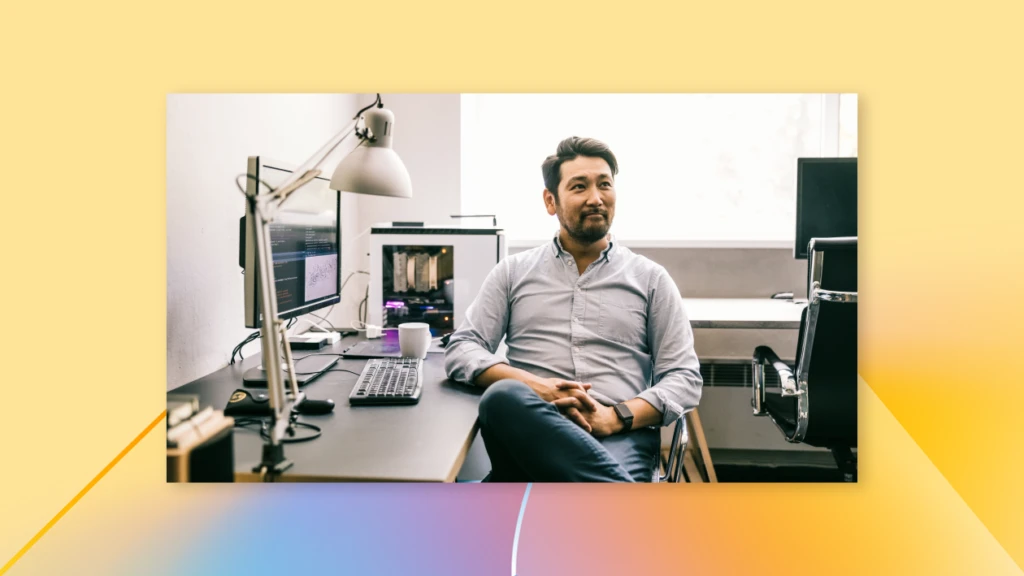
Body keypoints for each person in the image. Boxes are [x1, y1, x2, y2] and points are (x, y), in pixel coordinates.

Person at [444, 136, 702, 482]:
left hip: (617, 436)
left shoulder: (651, 279)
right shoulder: (513, 272)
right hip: (532, 430)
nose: (595, 198)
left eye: (604, 185)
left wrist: (615, 417)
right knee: (503, 396)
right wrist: (538, 387)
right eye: (579, 187)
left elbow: (684, 378)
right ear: (551, 201)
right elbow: (462, 348)